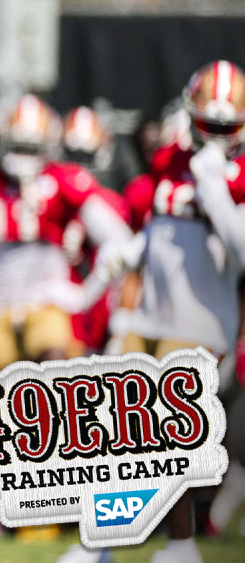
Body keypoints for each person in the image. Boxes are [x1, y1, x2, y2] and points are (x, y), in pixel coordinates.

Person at [61, 61, 245, 563]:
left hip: (201, 321)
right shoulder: (170, 161)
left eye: (227, 127)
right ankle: (99, 545)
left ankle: (180, 545)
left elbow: (242, 247)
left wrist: (214, 188)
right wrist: (132, 252)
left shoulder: (236, 173)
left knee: (164, 440)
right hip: (149, 315)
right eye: (208, 123)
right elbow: (164, 229)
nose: (215, 136)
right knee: (113, 431)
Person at [0, 94, 130, 371]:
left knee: (52, 378)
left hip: (47, 303)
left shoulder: (63, 181)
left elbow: (121, 241)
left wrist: (84, 293)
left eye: (32, 147)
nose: (24, 157)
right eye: (18, 145)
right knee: (0, 394)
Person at [59, 106, 130, 357]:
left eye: (84, 156)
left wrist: (86, 296)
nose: (77, 166)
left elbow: (123, 263)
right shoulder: (46, 197)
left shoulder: (110, 204)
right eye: (72, 154)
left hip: (94, 322)